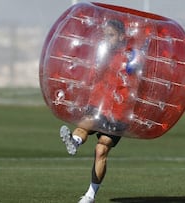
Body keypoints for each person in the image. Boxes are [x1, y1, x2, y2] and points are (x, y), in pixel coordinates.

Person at [59, 19, 139, 203]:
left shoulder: (130, 55)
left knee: (101, 149)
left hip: (118, 112)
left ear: (121, 36)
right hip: (99, 103)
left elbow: (135, 79)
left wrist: (133, 61)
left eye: (110, 35)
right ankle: (75, 141)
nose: (107, 39)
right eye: (105, 35)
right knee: (87, 123)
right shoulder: (101, 53)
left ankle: (90, 195)